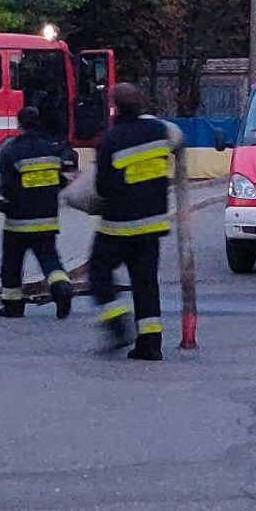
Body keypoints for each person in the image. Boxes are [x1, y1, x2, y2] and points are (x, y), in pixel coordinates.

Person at [88, 83, 178, 361]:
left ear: (114, 107)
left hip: (118, 226)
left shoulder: (111, 140)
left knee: (99, 274)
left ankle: (118, 324)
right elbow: (178, 142)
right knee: (145, 283)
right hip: (152, 225)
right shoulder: (159, 132)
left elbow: (101, 188)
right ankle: (150, 345)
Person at [0, 107, 73, 319]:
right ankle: (61, 286)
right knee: (49, 259)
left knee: (12, 263)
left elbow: (3, 185)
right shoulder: (52, 150)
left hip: (17, 221)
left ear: (20, 124)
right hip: (47, 219)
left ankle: (13, 305)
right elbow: (62, 180)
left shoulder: (11, 151)